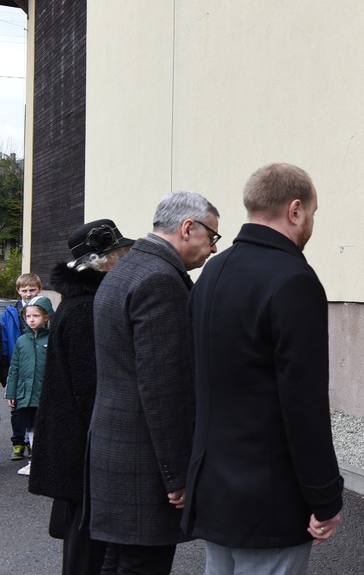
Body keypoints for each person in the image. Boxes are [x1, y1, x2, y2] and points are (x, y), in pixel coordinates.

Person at [181, 164, 343, 574]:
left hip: (214, 487)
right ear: (295, 210)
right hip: (269, 497)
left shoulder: (212, 271)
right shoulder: (294, 280)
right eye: (312, 213)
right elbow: (303, 403)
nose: (311, 222)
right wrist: (324, 497)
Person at [88, 191, 219, 574]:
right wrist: (178, 474)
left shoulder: (127, 269)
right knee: (141, 565)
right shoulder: (161, 280)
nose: (213, 248)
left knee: (118, 561)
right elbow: (164, 388)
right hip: (144, 462)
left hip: (115, 448)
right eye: (212, 236)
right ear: (188, 228)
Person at [29, 219, 133, 574]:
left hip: (75, 447)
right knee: (87, 547)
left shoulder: (78, 304)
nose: (126, 262)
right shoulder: (87, 310)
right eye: (121, 255)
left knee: (84, 542)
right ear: (103, 263)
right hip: (84, 451)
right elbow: (91, 390)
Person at [5, 294, 54, 475]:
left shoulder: (52, 339)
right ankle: (35, 462)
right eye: (28, 316)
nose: (31, 319)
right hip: (26, 393)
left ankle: (48, 462)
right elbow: (15, 368)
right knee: (31, 427)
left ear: (46, 316)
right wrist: (11, 393)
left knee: (46, 427)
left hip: (45, 393)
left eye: (36, 315)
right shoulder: (21, 340)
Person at [4, 272, 43, 461]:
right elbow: (4, 340)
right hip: (16, 365)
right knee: (17, 407)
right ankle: (18, 442)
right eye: (24, 290)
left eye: (32, 290)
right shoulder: (9, 314)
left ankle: (33, 442)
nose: (28, 294)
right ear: (18, 291)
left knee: (35, 406)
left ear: (39, 290)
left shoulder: (44, 312)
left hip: (37, 367)